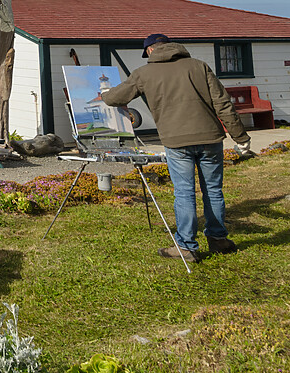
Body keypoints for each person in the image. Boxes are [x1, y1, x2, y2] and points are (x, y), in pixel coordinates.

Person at [101, 33, 251, 263]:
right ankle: (218, 239)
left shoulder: (143, 73)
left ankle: (187, 247)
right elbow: (223, 103)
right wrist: (240, 136)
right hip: (210, 138)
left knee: (184, 193)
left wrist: (104, 93)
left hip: (177, 142)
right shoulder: (199, 66)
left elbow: (116, 98)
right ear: (171, 46)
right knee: (213, 190)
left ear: (150, 51)